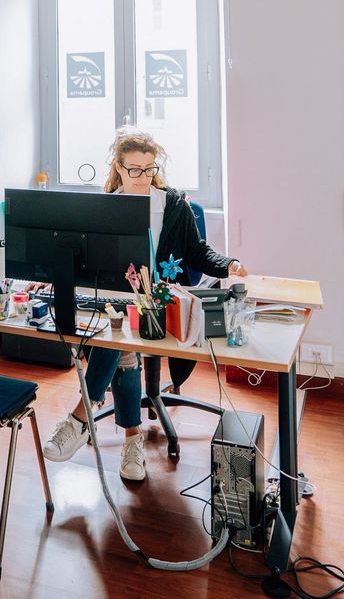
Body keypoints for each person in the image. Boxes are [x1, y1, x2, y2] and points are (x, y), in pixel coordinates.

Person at [42, 127, 247, 482]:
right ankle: (131, 439)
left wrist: (228, 264)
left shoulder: (173, 204)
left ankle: (82, 416)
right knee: (120, 337)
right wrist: (54, 274)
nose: (142, 176)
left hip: (162, 303)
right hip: (121, 301)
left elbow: (198, 251)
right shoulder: (106, 208)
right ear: (119, 168)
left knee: (116, 336)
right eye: (134, 169)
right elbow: (86, 259)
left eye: (149, 169)